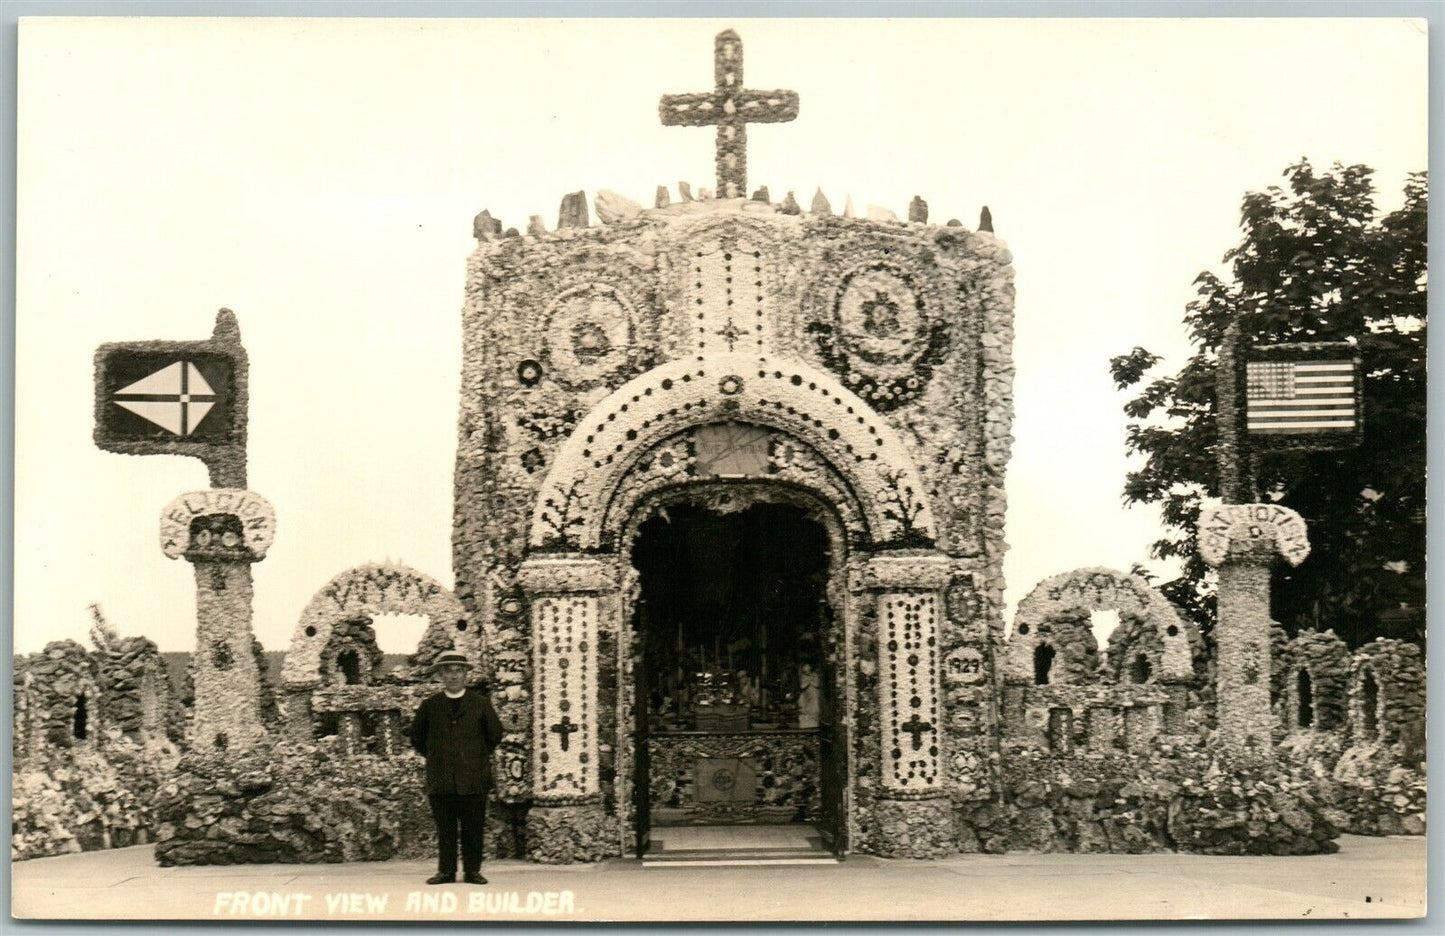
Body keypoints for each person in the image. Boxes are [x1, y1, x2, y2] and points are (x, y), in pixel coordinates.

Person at [409, 650, 504, 886]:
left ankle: (473, 872)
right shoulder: (430, 706)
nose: (453, 676)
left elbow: (495, 734)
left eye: (458, 671)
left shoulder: (480, 704)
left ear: (466, 675)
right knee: (446, 830)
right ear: (441, 675)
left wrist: (474, 755)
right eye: (448, 671)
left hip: (473, 778)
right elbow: (417, 738)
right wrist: (436, 756)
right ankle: (446, 872)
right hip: (441, 778)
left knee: (473, 828)